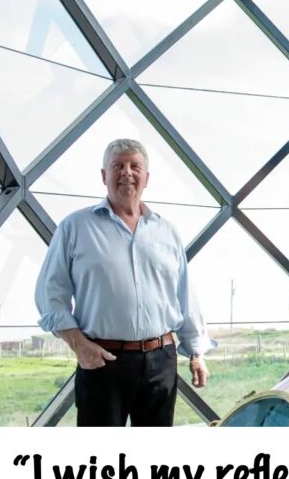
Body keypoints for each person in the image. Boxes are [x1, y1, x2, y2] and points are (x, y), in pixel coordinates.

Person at [35, 139, 212, 426]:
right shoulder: (75, 227)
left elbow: (184, 295)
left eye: (134, 166)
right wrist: (79, 345)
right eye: (118, 166)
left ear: (146, 178)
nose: (126, 172)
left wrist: (196, 352)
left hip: (161, 361)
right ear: (104, 175)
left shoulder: (167, 231)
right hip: (102, 360)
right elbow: (50, 293)